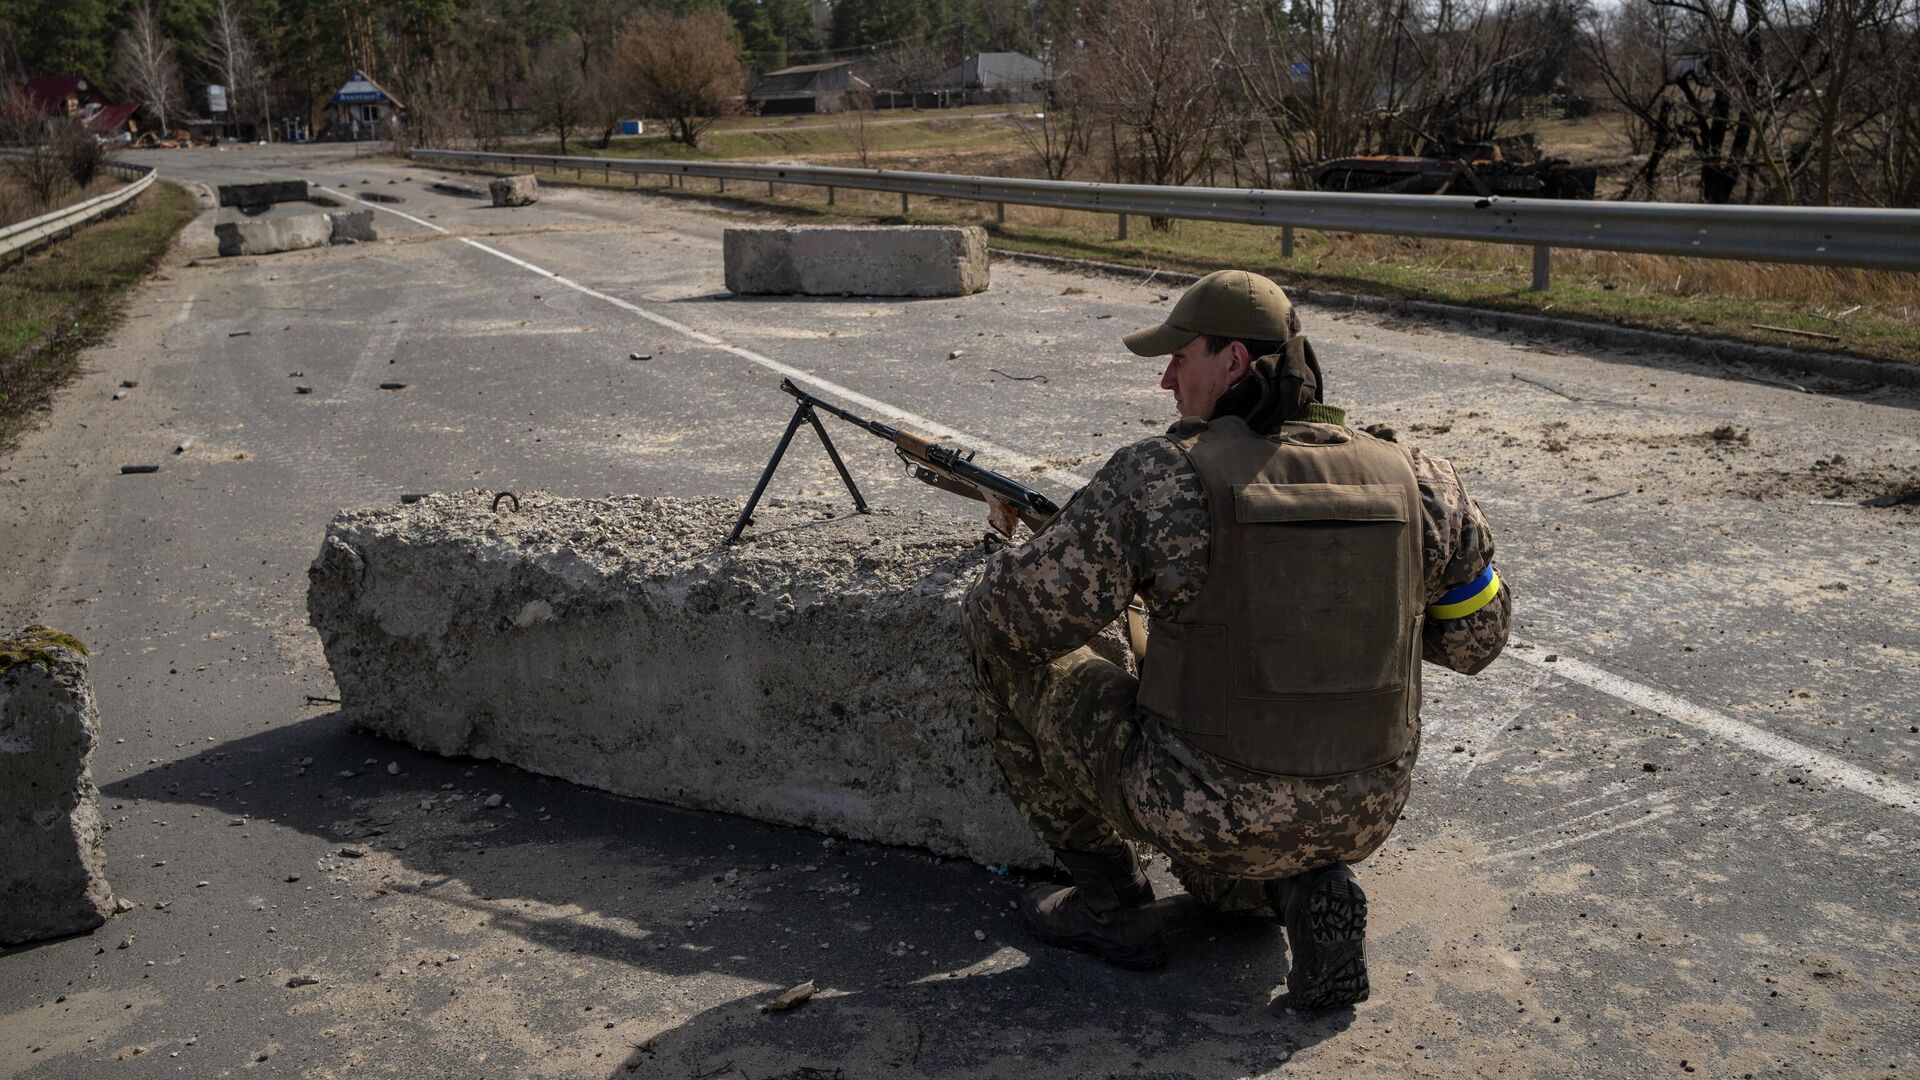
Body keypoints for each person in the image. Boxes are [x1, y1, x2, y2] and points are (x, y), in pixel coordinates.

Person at [961, 269, 1511, 1010]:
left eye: (1179, 358)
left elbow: (1010, 622)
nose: (1165, 379)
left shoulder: (1163, 475)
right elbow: (1478, 640)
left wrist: (1018, 558)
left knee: (1016, 663)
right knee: (1247, 815)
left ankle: (1110, 903)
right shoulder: (1419, 478)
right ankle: (1298, 888)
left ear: (1234, 363)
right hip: (1364, 810)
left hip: (1207, 804)